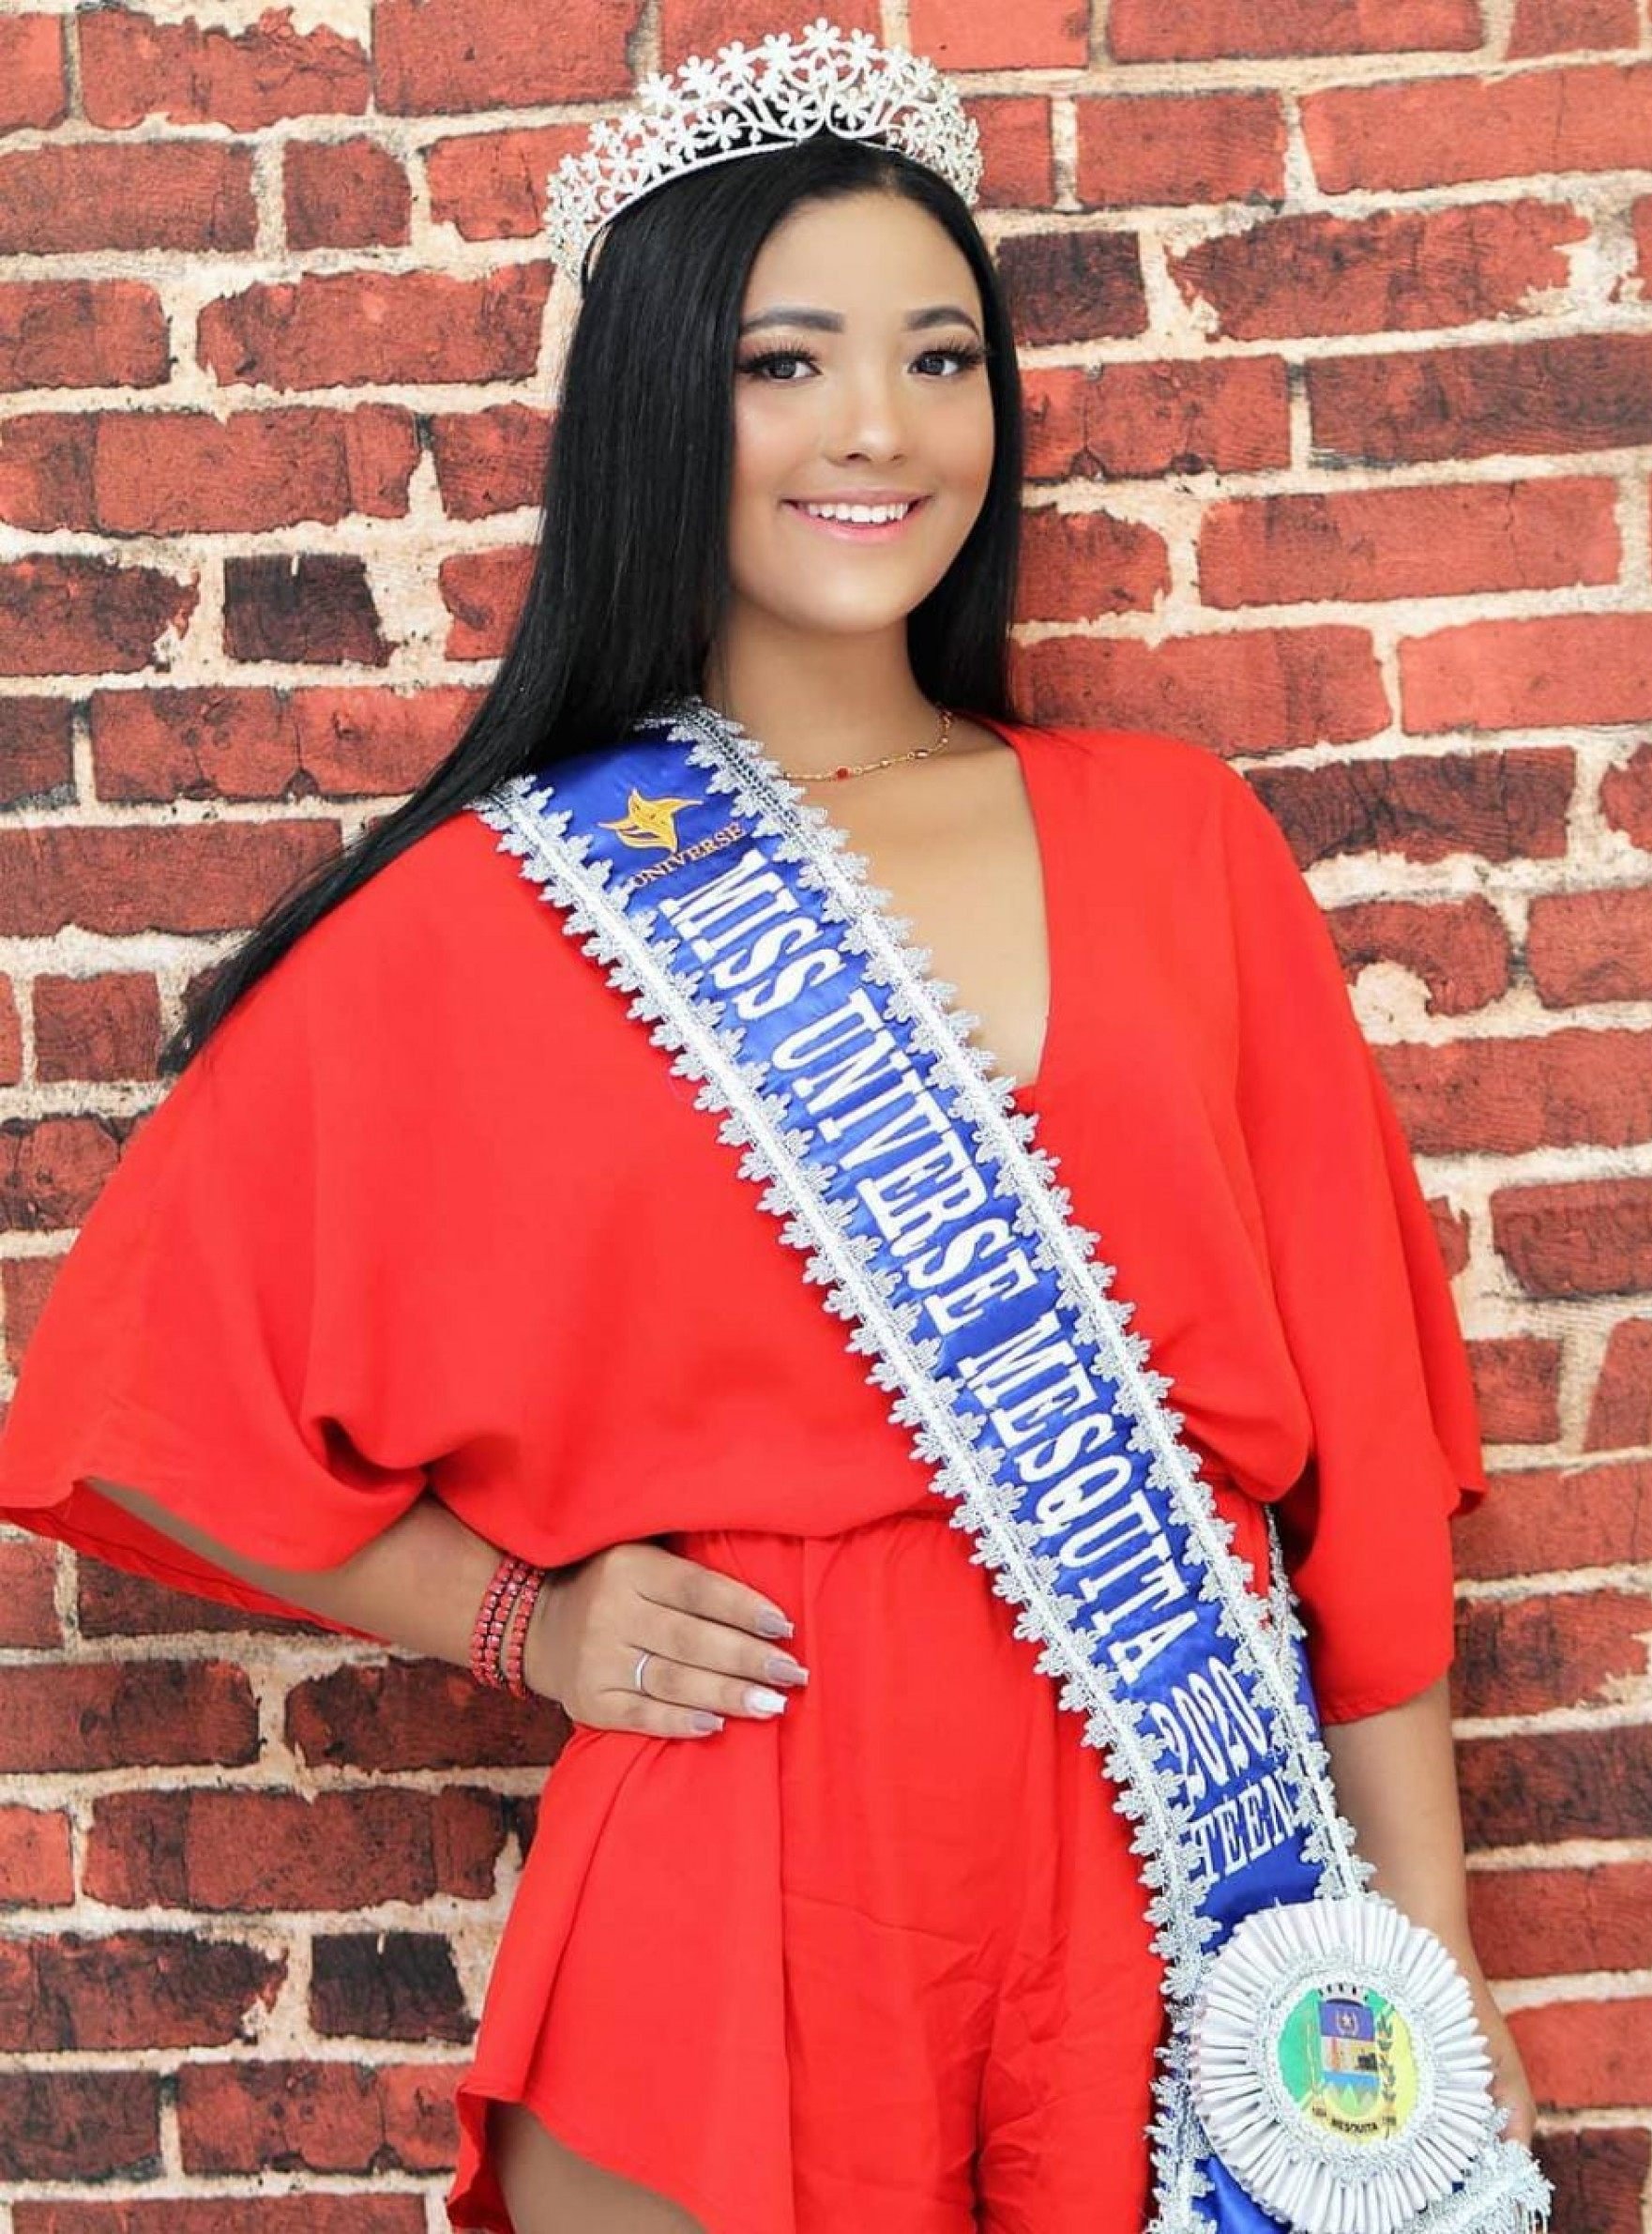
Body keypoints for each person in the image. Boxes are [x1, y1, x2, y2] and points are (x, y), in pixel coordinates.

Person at [0, 22, 1541, 2234]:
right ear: (659, 406)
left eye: (940, 358)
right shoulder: (509, 902)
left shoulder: (1178, 840)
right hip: (741, 1873)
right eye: (783, 363)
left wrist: (1428, 1940)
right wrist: (510, 1621)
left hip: (1190, 1879)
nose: (880, 429)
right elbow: (133, 1401)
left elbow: (1365, 1468)